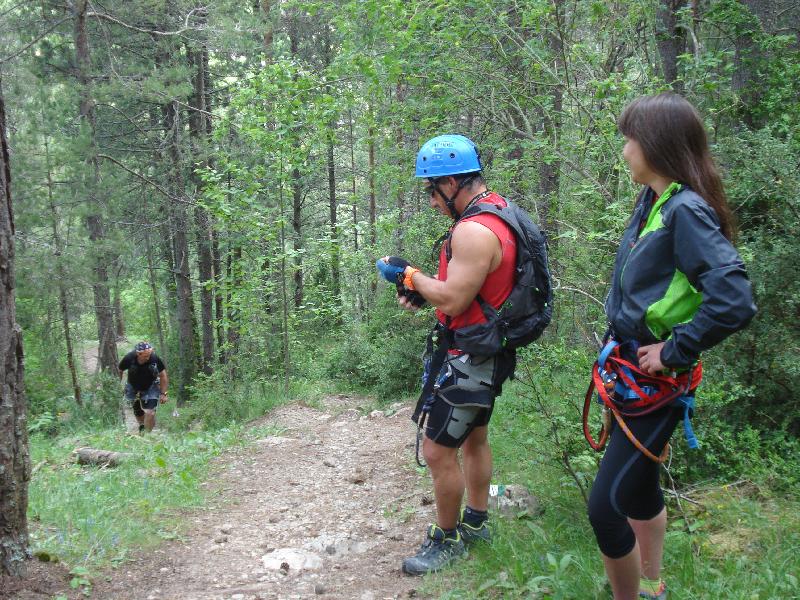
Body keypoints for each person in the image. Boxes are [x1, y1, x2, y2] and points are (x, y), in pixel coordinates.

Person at [588, 93, 756, 599]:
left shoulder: (684, 210)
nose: (625, 152)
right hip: (628, 369)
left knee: (605, 507)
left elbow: (734, 299)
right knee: (638, 487)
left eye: (631, 141)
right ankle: (653, 584)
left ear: (656, 146)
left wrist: (674, 349)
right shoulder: (657, 201)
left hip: (654, 379)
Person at [376, 134, 519, 576]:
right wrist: (425, 293)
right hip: (485, 351)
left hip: (469, 359)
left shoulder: (473, 230)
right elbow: (473, 292)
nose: (431, 200)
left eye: (431, 190)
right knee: (475, 439)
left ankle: (448, 538)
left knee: (438, 451)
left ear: (452, 182)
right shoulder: (500, 212)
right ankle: (476, 522)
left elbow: (455, 300)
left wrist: (411, 276)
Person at [119, 341, 169, 434]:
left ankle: (147, 435)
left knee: (151, 412)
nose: (148, 357)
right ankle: (142, 426)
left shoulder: (154, 358)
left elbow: (163, 376)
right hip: (132, 386)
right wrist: (118, 386)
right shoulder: (129, 358)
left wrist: (164, 393)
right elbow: (120, 370)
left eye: (149, 355)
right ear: (138, 354)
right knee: (137, 410)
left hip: (151, 385)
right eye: (145, 356)